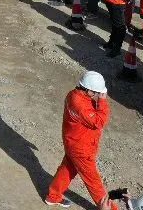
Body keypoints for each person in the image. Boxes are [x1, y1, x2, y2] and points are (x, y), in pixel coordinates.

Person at [44, 71, 111, 208]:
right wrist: (103, 103)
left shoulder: (73, 95)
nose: (99, 96)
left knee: (67, 169)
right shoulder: (81, 105)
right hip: (81, 149)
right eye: (97, 93)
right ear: (88, 90)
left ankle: (53, 196)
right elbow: (99, 122)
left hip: (73, 142)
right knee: (94, 182)